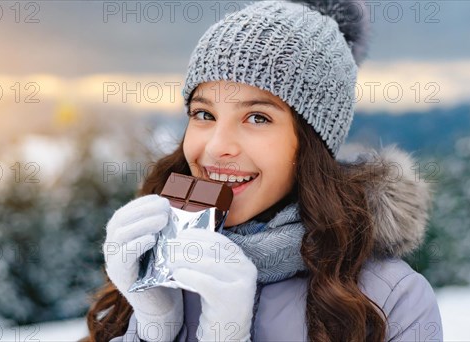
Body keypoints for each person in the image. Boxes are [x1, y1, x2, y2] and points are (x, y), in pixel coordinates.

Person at [83, 0, 443, 341]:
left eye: (257, 117)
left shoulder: (392, 300)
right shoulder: (154, 272)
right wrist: (153, 327)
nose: (215, 146)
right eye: (204, 114)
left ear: (311, 143)